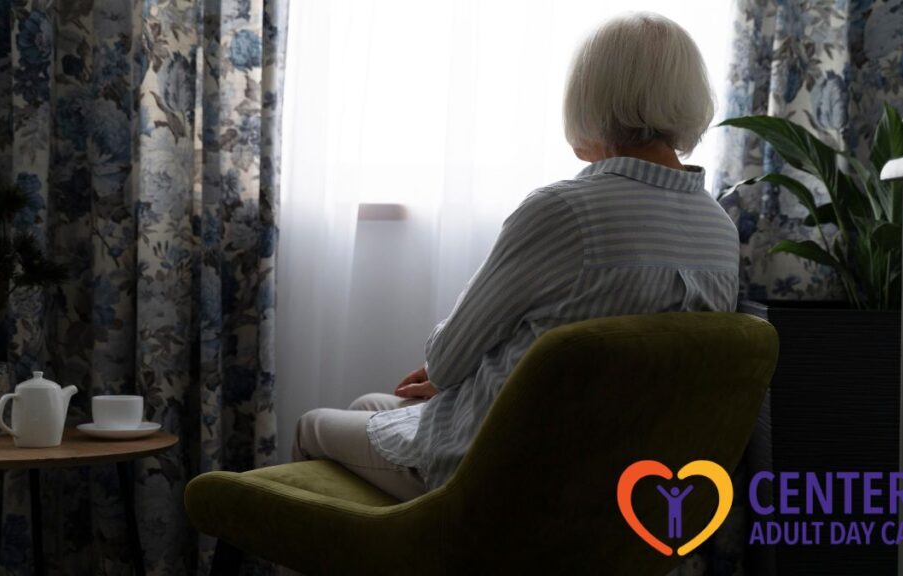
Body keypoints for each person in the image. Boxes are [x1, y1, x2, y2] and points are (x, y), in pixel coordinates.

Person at [292, 11, 738, 502]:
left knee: (313, 426)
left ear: (589, 96)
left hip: (502, 467)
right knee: (372, 406)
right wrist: (449, 380)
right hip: (622, 481)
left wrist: (446, 374)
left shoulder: (565, 210)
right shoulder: (719, 229)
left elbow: (446, 357)